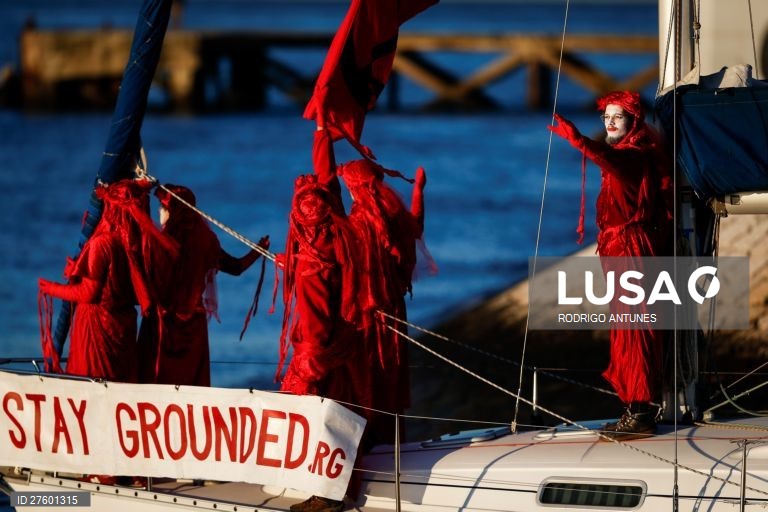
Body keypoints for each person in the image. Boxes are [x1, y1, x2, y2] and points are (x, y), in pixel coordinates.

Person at [548, 90, 673, 440]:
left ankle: (642, 412)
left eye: (618, 116)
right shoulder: (627, 154)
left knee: (636, 332)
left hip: (632, 251)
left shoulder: (633, 156)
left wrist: (579, 141)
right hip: (619, 250)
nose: (610, 122)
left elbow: (608, 160)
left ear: (633, 121)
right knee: (625, 331)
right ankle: (634, 407)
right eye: (606, 117)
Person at [38, 178, 174, 383]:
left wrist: (51, 288)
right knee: (119, 386)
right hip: (123, 328)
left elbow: (89, 292)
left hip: (96, 331)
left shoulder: (102, 243)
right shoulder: (136, 245)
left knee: (90, 385)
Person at [137, 184, 269, 387]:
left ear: (172, 210)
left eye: (162, 207)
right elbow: (236, 268)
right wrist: (258, 250)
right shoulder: (205, 240)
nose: (159, 212)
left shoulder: (161, 243)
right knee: (191, 387)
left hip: (163, 324)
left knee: (156, 384)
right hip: (193, 326)